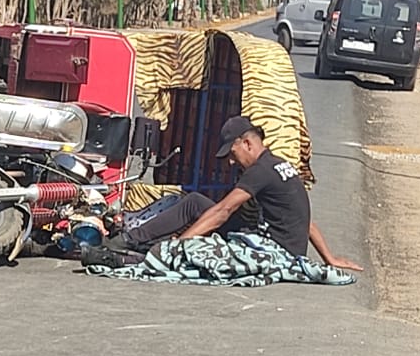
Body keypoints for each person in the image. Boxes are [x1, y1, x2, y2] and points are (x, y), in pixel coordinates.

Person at [84, 116, 363, 272]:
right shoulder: (280, 165)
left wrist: (180, 243)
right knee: (194, 202)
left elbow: (223, 211)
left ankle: (127, 250)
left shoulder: (260, 171)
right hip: (282, 244)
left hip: (272, 250)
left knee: (189, 246)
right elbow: (305, 220)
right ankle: (131, 240)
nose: (231, 162)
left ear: (248, 143)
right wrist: (329, 258)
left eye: (232, 153)